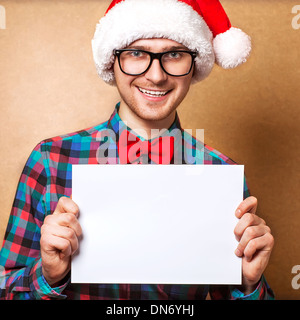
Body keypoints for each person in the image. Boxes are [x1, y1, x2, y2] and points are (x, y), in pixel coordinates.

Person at [0, 0, 274, 300]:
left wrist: (248, 284)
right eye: (135, 53)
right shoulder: (51, 161)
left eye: (174, 54)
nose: (156, 75)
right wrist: (48, 276)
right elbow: (5, 288)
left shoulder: (220, 174)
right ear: (111, 60)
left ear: (194, 63)